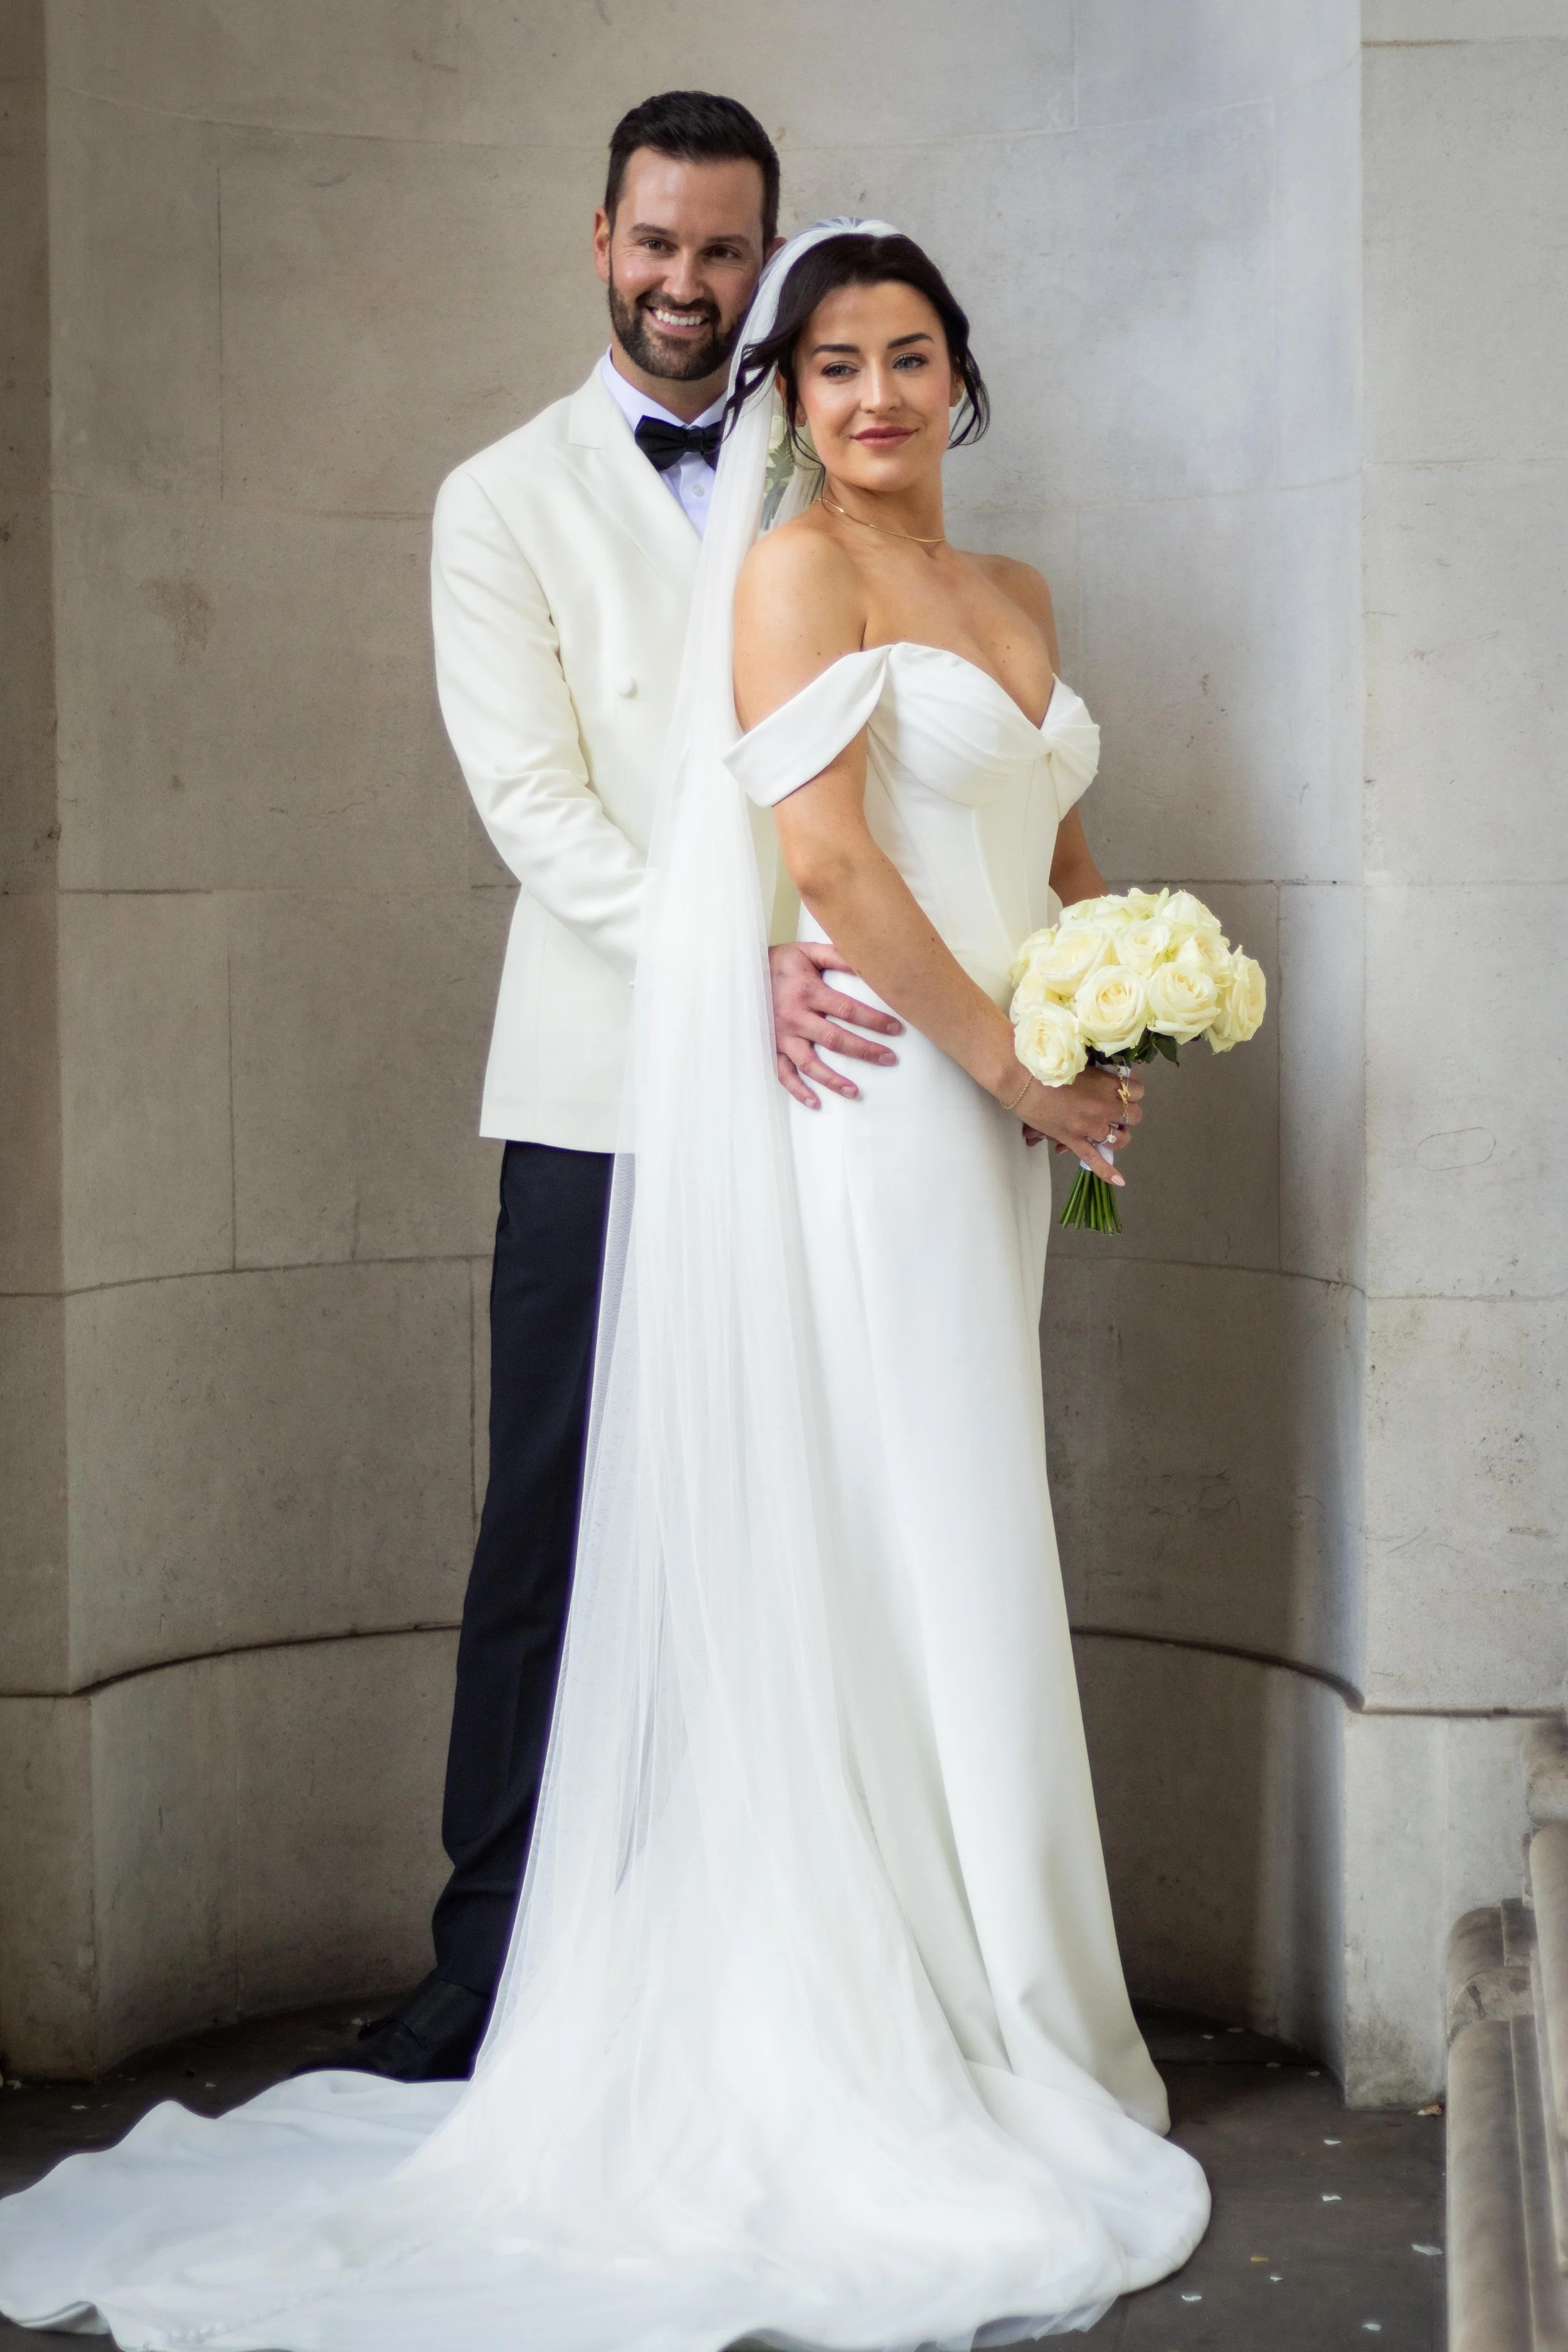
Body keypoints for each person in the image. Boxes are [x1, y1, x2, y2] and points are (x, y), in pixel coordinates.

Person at [0, 221, 1210, 2351]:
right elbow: (826, 861)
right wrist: (1013, 1059)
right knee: (905, 1521)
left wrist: (1114, 1007)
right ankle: (925, 2005)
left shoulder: (1018, 598)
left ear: (962, 379)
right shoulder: (790, 574)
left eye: (907, 357)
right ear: (787, 394)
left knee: (957, 1518)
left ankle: (990, 1972)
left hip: (1007, 1110)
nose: (870, 397)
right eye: (828, 363)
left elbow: (1056, 840)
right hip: (892, 1097)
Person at [343, 93, 901, 2085]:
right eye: (656, 244)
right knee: (550, 1520)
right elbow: (534, 807)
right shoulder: (496, 497)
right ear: (599, 240)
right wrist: (715, 968)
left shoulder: (820, 449)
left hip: (832, 1070)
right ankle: (488, 1953)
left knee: (802, 1504)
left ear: (766, 260)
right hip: (602, 1079)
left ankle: (770, 1950)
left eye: (724, 251)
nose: (688, 283)